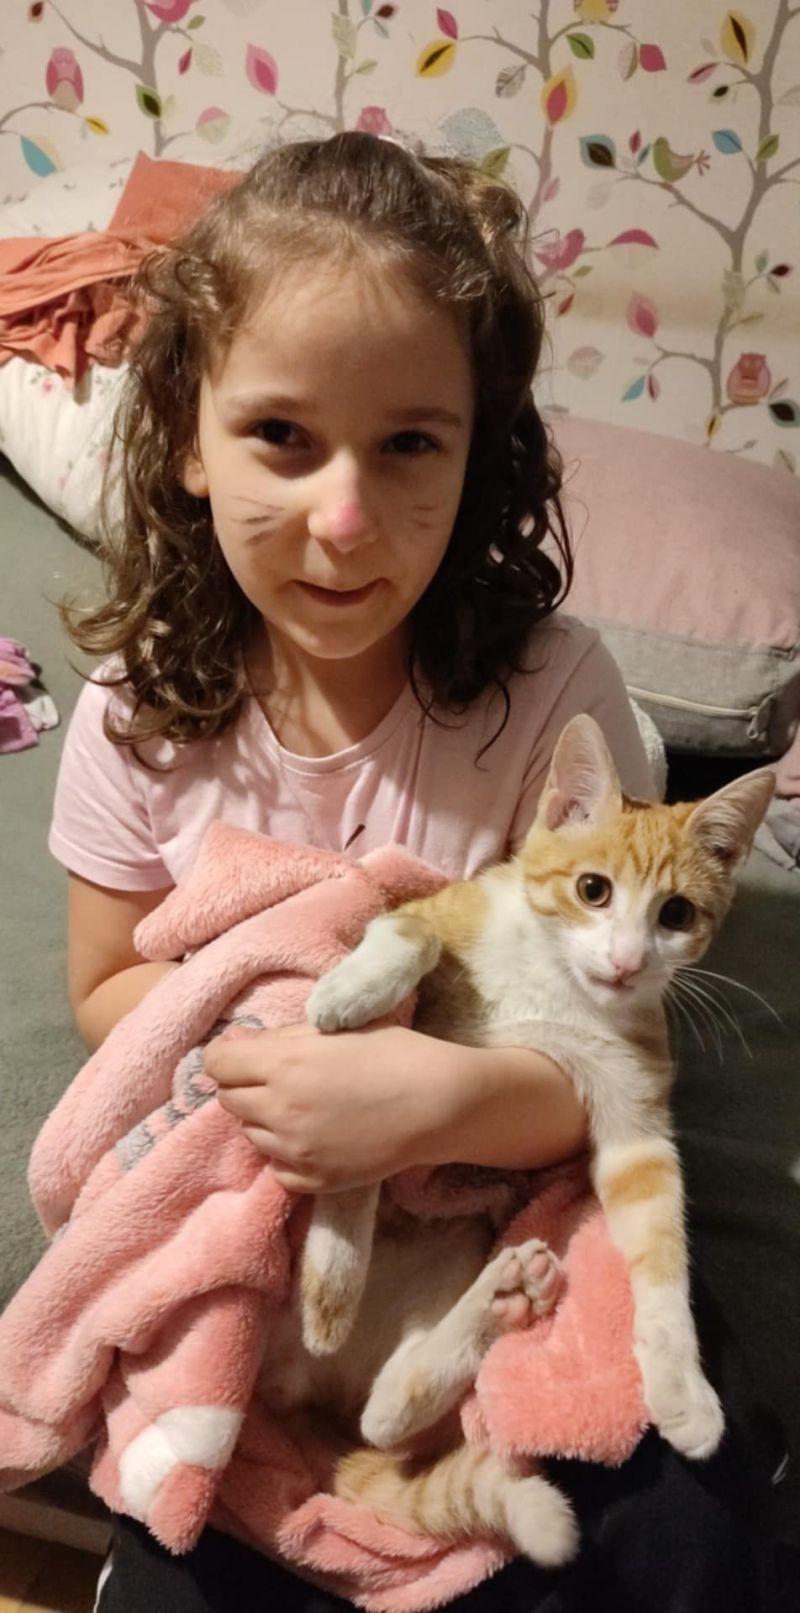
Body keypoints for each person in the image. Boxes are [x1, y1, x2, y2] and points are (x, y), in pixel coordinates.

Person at [49, 133, 775, 1611]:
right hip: (262, 1238)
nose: (343, 519)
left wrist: (427, 1099)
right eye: (280, 434)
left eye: (407, 445)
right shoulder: (136, 713)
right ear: (185, 437)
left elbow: (604, 1066)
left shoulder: (552, 691)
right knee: (186, 1549)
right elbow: (106, 986)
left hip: (493, 1193)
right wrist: (272, 1042)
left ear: (479, 451)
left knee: (683, 1522)